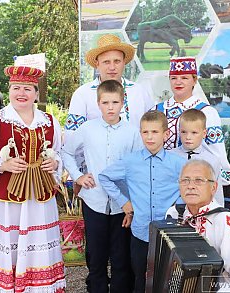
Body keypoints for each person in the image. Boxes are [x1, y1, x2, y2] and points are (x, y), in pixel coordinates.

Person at [0, 64, 66, 292]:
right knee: (7, 247)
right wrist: (3, 164)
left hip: (38, 200)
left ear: (36, 93)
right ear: (9, 91)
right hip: (4, 203)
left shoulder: (49, 121)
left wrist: (55, 162)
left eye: (28, 89)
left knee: (36, 247)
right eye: (16, 87)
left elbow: (59, 152)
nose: (21, 93)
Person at [66, 33, 155, 290]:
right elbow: (72, 143)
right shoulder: (83, 94)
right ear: (97, 64)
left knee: (124, 254)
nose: (112, 66)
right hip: (95, 187)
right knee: (96, 251)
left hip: (126, 193)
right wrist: (77, 175)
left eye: (117, 60)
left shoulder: (139, 92)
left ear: (124, 62)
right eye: (106, 61)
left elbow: (147, 136)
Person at [61, 80, 142, 293]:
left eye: (115, 102)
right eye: (105, 102)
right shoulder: (87, 129)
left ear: (123, 103)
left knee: (120, 257)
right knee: (95, 255)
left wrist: (132, 203)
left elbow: (137, 167)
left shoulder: (132, 132)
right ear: (98, 104)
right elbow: (67, 151)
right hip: (94, 200)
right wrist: (78, 176)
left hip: (121, 204)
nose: (110, 107)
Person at [99, 110, 186, 293]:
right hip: (141, 232)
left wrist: (177, 211)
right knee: (140, 277)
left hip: (169, 232)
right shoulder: (130, 161)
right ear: (140, 134)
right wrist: (124, 202)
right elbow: (105, 177)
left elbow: (185, 187)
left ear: (166, 134)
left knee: (169, 279)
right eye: (145, 132)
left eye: (155, 132)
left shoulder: (178, 163)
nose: (150, 137)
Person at [166, 160, 230, 292]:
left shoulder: (224, 221)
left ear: (214, 187)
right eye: (185, 180)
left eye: (199, 180)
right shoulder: (174, 214)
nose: (190, 186)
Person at [154, 57, 230, 191]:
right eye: (174, 78)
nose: (178, 82)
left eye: (184, 78)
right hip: (161, 182)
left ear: (194, 80)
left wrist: (219, 180)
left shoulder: (207, 112)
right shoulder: (156, 110)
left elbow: (216, 152)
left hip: (193, 184)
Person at [172, 109, 227, 206]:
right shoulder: (170, 156)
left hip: (201, 212)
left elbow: (217, 193)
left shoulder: (212, 160)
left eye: (194, 133)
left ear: (204, 133)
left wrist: (218, 213)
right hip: (173, 212)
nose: (188, 137)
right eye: (184, 132)